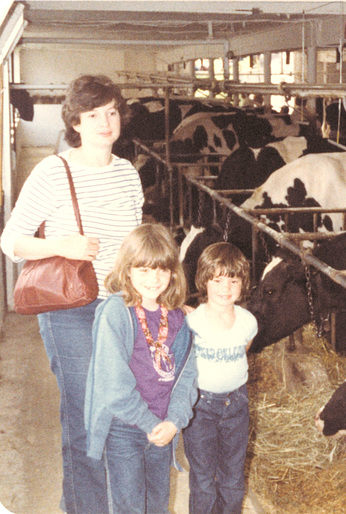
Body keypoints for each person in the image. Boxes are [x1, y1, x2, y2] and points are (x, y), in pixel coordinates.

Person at [0, 74, 144, 513]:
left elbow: (135, 245)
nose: (106, 122)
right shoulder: (53, 170)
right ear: (75, 123)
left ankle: (79, 504)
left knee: (122, 414)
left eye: (113, 112)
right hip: (73, 308)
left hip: (123, 306)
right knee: (86, 417)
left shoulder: (128, 173)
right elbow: (11, 241)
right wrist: (62, 245)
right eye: (94, 114)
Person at [85, 223, 197, 513]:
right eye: (144, 270)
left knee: (158, 506)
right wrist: (150, 424)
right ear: (127, 270)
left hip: (164, 429)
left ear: (173, 272)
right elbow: (113, 384)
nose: (154, 278)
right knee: (130, 509)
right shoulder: (115, 313)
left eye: (161, 269)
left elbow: (188, 377)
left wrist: (174, 421)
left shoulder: (180, 319)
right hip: (126, 428)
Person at [183, 242, 258, 514]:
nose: (226, 288)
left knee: (233, 477)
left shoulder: (248, 321)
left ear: (243, 284)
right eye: (217, 280)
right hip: (200, 407)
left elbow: (245, 349)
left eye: (233, 281)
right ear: (204, 281)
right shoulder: (192, 322)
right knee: (203, 478)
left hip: (237, 404)